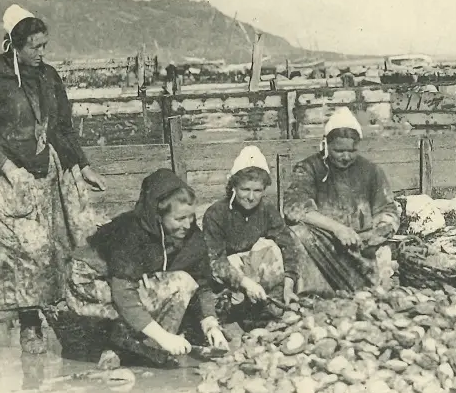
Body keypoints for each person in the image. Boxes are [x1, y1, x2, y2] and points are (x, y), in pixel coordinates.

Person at [0, 5, 107, 354]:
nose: (42, 53)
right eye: (35, 47)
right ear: (14, 46)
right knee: (27, 252)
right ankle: (29, 325)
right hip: (10, 180)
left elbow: (62, 128)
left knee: (62, 246)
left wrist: (82, 166)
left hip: (49, 173)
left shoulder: (50, 76)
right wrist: (6, 167)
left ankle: (66, 318)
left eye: (44, 46)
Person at [65, 169, 228, 365]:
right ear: (159, 216)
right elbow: (124, 294)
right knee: (179, 282)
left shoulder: (191, 236)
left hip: (123, 287)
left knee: (182, 282)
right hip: (88, 286)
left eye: (191, 217)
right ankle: (125, 342)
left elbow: (203, 284)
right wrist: (163, 337)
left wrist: (211, 325)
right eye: (179, 219)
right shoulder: (130, 232)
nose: (188, 224)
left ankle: (138, 342)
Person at [284, 107, 400, 294]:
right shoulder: (309, 168)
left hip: (361, 247)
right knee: (297, 232)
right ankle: (314, 293)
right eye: (339, 151)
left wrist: (380, 230)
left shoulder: (371, 171)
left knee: (378, 283)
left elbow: (388, 209)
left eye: (351, 151)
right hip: (323, 244)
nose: (346, 157)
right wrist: (337, 229)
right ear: (326, 145)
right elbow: (293, 208)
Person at [202, 146, 300, 319]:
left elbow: (287, 246)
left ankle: (271, 305)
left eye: (257, 191)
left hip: (260, 278)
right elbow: (216, 261)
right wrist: (245, 283)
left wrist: (288, 287)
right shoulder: (216, 213)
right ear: (233, 186)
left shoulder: (268, 210)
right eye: (245, 189)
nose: (251, 197)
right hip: (232, 280)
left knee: (272, 247)